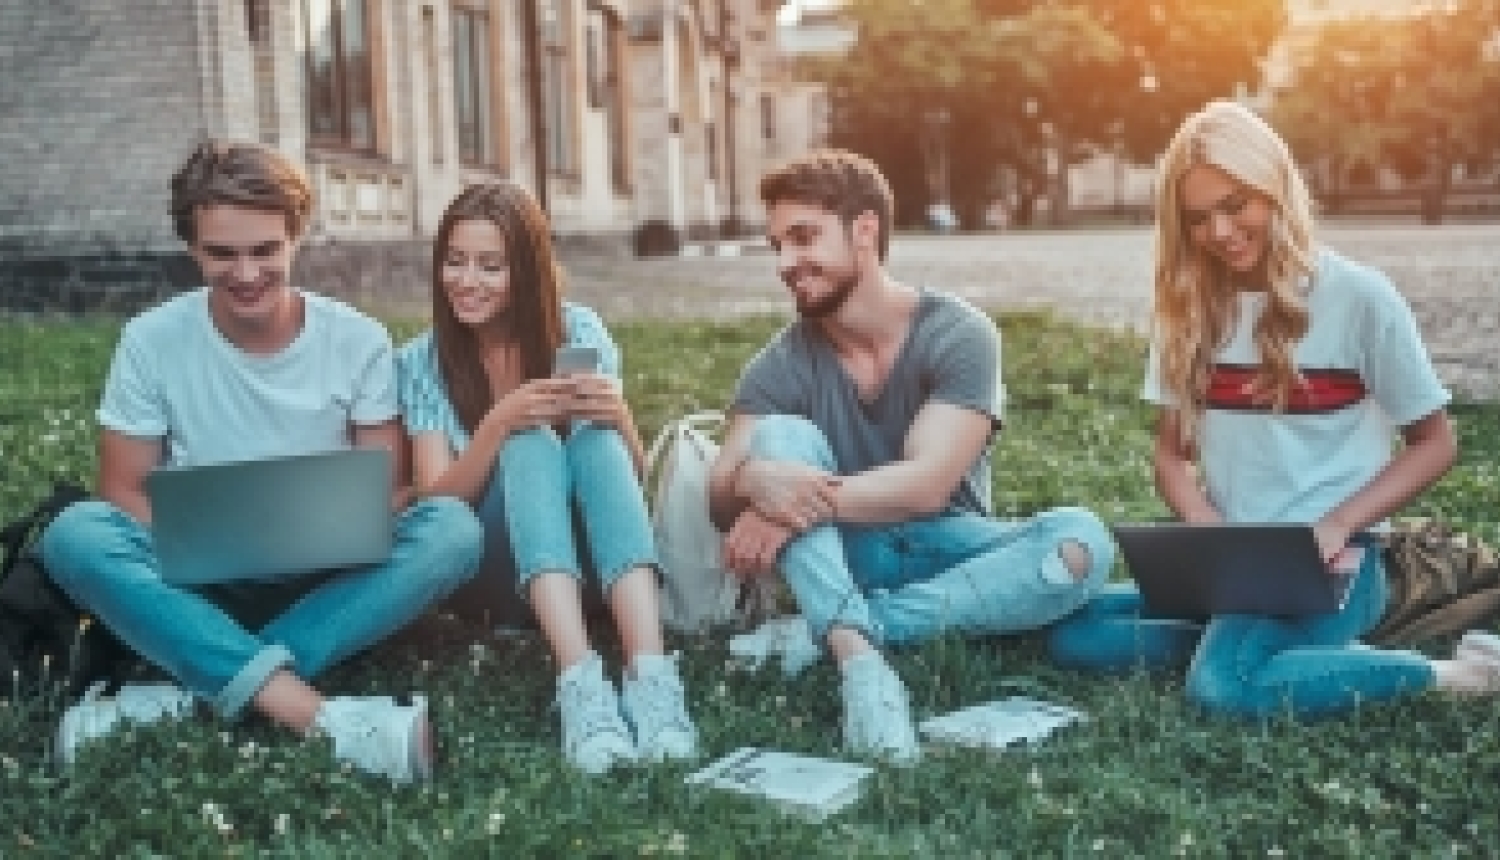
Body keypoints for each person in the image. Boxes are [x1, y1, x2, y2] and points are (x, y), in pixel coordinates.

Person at [38, 141, 483, 782]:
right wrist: (209, 545)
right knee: (74, 534)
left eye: (265, 250)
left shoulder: (356, 339)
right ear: (192, 248)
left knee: (453, 531)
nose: (246, 273)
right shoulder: (150, 341)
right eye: (222, 253)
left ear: (295, 238)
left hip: (328, 582)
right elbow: (123, 492)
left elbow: (389, 491)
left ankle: (193, 688)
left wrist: (319, 535)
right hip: (196, 583)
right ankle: (314, 715)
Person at [1046, 100, 1500, 717]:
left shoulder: (1360, 297)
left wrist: (1337, 524)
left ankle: (1457, 674)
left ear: (1275, 187)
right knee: (1074, 632)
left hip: (1336, 559)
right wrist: (1204, 526)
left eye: (1236, 205)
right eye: (1199, 218)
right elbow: (1170, 457)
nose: (1220, 232)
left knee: (1222, 689)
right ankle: (1273, 654)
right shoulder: (1189, 311)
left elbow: (1436, 443)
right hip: (1229, 565)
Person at [707, 150, 1114, 763]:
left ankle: (839, 626)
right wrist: (754, 481)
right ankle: (860, 666)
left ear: (865, 231)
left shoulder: (958, 333)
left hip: (954, 549)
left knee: (1079, 545)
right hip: (848, 556)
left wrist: (792, 504)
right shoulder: (779, 365)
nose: (786, 263)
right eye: (777, 246)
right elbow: (719, 492)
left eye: (804, 238)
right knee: (778, 439)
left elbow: (927, 486)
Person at [397, 182, 698, 775]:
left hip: (591, 568)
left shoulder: (578, 331)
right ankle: (580, 682)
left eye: (491, 266)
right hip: (493, 572)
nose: (467, 281)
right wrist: (499, 424)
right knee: (529, 440)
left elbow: (630, 479)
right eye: (455, 261)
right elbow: (436, 498)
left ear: (527, 271)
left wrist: (620, 418)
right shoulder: (422, 360)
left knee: (595, 437)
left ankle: (650, 676)